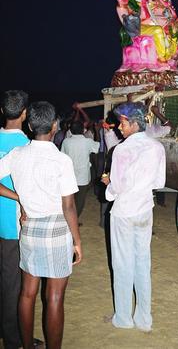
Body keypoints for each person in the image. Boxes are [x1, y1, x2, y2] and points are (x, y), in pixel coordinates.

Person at [0, 101, 82, 349]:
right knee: (54, 297)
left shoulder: (17, 154)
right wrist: (77, 242)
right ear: (55, 125)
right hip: (57, 230)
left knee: (27, 293)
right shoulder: (61, 161)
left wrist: (19, 198)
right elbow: (68, 206)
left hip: (29, 229)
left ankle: (25, 346)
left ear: (30, 124)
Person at [101, 102, 166, 332]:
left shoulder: (122, 150)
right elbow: (159, 183)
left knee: (122, 265)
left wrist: (109, 186)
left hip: (124, 212)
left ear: (135, 124)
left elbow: (116, 188)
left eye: (123, 123)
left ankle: (123, 318)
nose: (119, 127)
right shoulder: (157, 148)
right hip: (144, 210)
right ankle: (144, 319)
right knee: (142, 263)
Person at [0, 91, 43, 349]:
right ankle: (14, 338)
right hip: (12, 225)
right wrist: (20, 198)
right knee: (13, 285)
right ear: (25, 113)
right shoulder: (26, 146)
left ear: (3, 111)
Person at [61, 120, 100, 219]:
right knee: (80, 201)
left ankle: (70, 218)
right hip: (83, 176)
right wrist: (97, 132)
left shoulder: (66, 141)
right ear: (83, 130)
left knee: (70, 199)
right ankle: (73, 220)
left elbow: (62, 156)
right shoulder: (87, 141)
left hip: (69, 175)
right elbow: (97, 147)